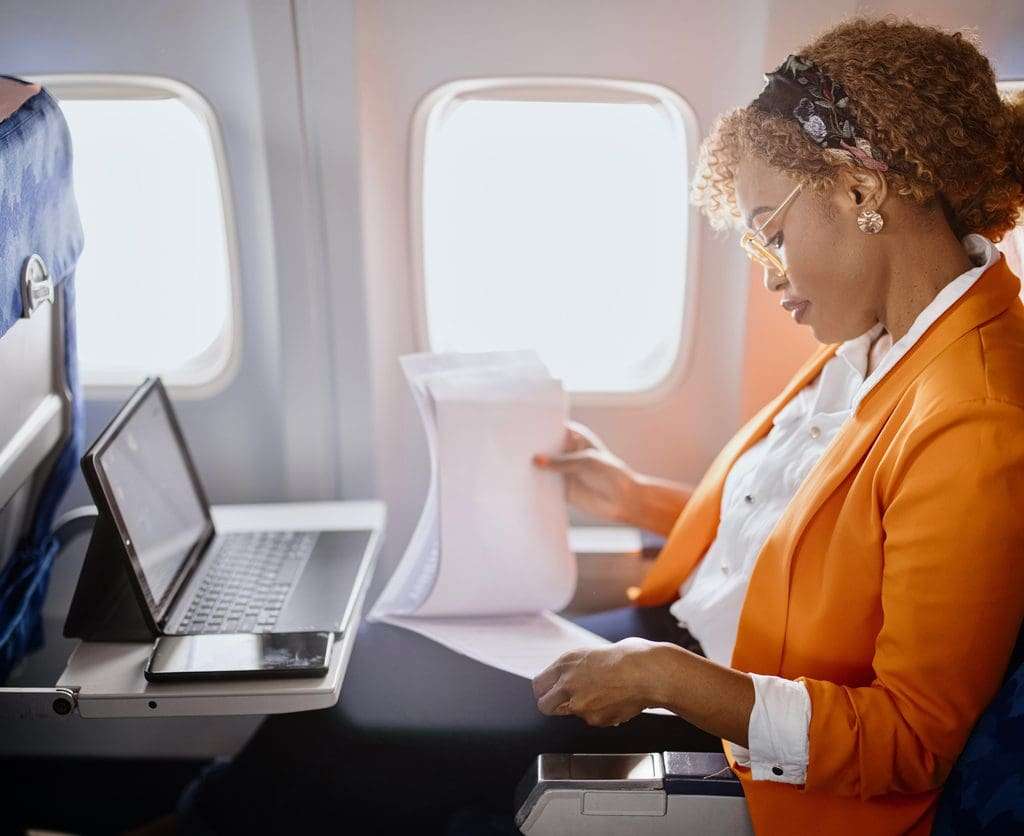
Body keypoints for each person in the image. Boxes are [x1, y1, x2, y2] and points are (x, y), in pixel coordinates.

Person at [179, 16, 1024, 836]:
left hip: (734, 730)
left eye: (771, 235)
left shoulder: (974, 418)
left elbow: (909, 742)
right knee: (380, 657)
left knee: (375, 715)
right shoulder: (887, 337)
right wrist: (635, 498)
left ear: (862, 187)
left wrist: (671, 681)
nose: (770, 279)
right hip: (686, 650)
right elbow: (807, 537)